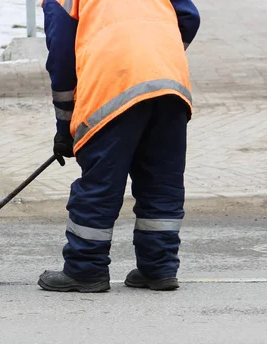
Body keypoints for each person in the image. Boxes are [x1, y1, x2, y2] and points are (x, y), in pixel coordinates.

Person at [37, 0, 200, 293]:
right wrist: (158, 55)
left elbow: (61, 57)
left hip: (114, 79)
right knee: (162, 180)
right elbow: (189, 16)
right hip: (170, 81)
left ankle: (85, 270)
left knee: (101, 183)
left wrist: (64, 126)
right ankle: (159, 269)